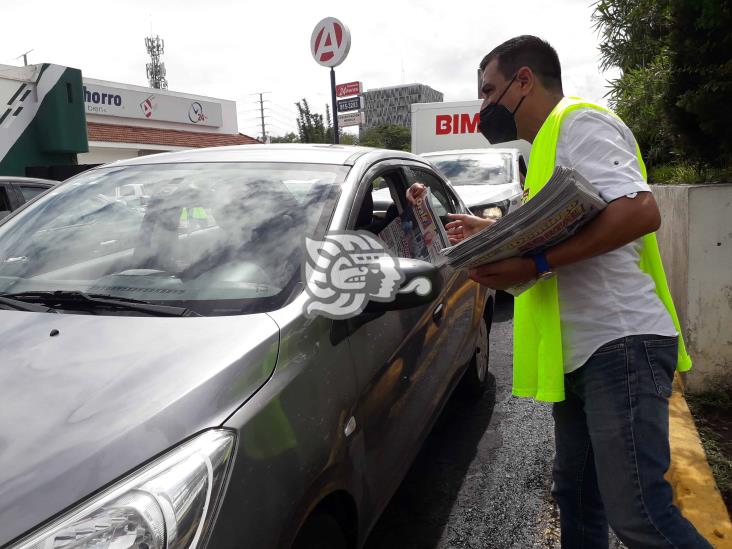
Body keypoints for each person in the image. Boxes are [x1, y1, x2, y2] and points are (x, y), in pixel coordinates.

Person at [440, 35, 711, 548]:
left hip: (620, 344)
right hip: (584, 354)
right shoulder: (546, 145)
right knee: (578, 498)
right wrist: (488, 231)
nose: (483, 106)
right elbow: (557, 222)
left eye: (488, 90)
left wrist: (534, 260)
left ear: (524, 81)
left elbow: (638, 211)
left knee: (639, 517)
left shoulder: (579, 121)